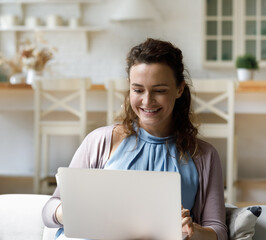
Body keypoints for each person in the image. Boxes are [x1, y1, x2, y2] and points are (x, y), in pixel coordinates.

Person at [42, 38, 228, 240]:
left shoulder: (204, 156)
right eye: (138, 90)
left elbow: (217, 231)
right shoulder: (100, 141)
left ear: (179, 89)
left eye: (159, 91)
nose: (147, 101)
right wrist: (70, 211)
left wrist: (192, 230)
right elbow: (49, 210)